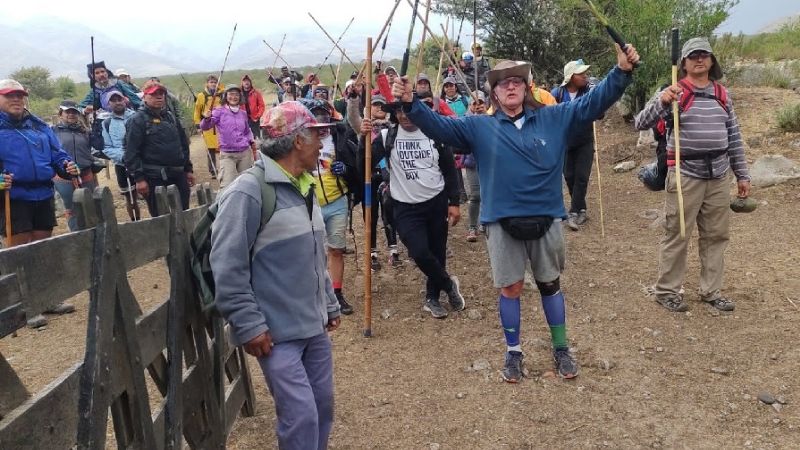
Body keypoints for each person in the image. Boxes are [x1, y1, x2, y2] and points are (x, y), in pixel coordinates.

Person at [391, 43, 640, 381]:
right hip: (501, 222)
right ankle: (513, 352)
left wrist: (621, 72)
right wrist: (409, 103)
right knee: (510, 289)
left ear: (526, 87)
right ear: (493, 91)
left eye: (517, 81)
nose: (510, 86)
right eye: (503, 82)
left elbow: (593, 102)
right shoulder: (479, 127)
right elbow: (439, 127)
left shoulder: (554, 118)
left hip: (548, 217)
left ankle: (561, 347)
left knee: (550, 284)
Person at [210, 101, 341, 450]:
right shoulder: (247, 192)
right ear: (298, 141)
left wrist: (329, 302)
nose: (322, 143)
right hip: (276, 333)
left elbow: (314, 252)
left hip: (312, 326)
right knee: (300, 415)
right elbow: (227, 264)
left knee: (322, 408)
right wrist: (249, 324)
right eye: (317, 135)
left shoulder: (304, 186)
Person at [634, 37, 750, 313]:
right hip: (685, 174)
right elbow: (641, 122)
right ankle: (666, 291)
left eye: (704, 55)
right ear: (683, 63)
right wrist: (662, 101)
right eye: (693, 55)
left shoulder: (722, 94)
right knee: (677, 234)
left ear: (712, 60)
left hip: (719, 176)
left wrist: (742, 174)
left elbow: (733, 136)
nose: (699, 59)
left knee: (716, 235)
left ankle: (711, 291)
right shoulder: (673, 91)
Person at [359, 100, 466, 319]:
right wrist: (363, 139)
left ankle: (432, 297)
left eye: (407, 110)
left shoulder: (435, 134)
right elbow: (364, 165)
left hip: (436, 202)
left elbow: (449, 170)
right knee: (418, 252)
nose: (403, 115)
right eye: (398, 111)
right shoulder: (388, 137)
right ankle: (448, 284)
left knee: (437, 251)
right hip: (404, 206)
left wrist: (453, 202)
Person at [0, 79, 80, 327]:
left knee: (42, 248)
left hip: (43, 193)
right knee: (18, 252)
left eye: (20, 95)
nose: (16, 100)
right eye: (9, 96)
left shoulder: (39, 126)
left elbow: (57, 154)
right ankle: (23, 307)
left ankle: (46, 299)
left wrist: (66, 166)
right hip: (13, 197)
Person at [299, 99, 357, 315]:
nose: (321, 125)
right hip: (309, 204)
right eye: (316, 119)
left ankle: (337, 294)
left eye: (324, 118)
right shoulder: (299, 143)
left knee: (336, 249)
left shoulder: (339, 140)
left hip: (337, 202)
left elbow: (355, 167)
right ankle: (315, 295)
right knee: (312, 251)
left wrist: (346, 170)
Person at [346, 92, 402, 270]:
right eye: (375, 105)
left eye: (381, 105)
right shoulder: (363, 127)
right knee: (370, 214)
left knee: (389, 213)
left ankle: (393, 249)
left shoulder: (392, 128)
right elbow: (352, 116)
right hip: (369, 178)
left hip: (388, 178)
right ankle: (372, 252)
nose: (378, 108)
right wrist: (354, 98)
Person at [125, 82, 194, 217]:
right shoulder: (137, 120)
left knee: (184, 212)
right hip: (154, 177)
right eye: (154, 94)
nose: (159, 97)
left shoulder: (170, 116)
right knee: (161, 217)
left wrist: (188, 169)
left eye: (161, 94)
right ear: (144, 97)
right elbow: (131, 152)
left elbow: (182, 144)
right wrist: (139, 179)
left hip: (177, 173)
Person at [552, 59, 597, 231]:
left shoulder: (589, 92)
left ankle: (573, 211)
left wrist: (596, 108)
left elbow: (599, 113)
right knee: (569, 176)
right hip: (565, 141)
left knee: (581, 177)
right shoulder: (557, 93)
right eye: (581, 74)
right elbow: (549, 113)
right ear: (571, 77)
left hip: (585, 140)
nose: (585, 76)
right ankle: (581, 208)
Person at [51, 100, 102, 231]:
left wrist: (97, 131)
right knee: (71, 207)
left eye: (74, 112)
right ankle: (76, 235)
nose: (71, 115)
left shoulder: (85, 131)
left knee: (89, 204)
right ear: (61, 113)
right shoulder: (52, 132)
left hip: (85, 173)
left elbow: (99, 146)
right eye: (68, 112)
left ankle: (92, 232)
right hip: (63, 176)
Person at [201, 85, 256, 189]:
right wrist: (206, 118)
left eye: (236, 94)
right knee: (227, 185)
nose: (234, 97)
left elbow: (247, 131)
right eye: (231, 94)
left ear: (240, 97)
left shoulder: (243, 113)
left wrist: (251, 140)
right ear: (225, 96)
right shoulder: (219, 111)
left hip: (244, 153)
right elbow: (205, 126)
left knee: (247, 184)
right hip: (227, 154)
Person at [100, 89, 140, 222]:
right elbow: (106, 147)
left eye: (120, 99)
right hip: (121, 164)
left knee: (147, 191)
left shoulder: (136, 116)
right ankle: (135, 222)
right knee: (130, 197)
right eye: (113, 100)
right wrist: (124, 157)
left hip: (139, 162)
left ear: (124, 100)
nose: (117, 102)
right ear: (108, 104)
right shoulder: (106, 123)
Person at [193, 75, 223, 179]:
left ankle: (224, 169)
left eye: (215, 82)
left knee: (222, 147)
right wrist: (198, 124)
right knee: (210, 149)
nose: (213, 84)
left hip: (220, 125)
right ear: (207, 83)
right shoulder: (202, 96)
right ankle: (213, 170)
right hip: (208, 125)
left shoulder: (222, 94)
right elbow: (197, 111)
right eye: (211, 82)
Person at [241, 74, 266, 139]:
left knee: (256, 138)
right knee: (244, 138)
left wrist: (258, 116)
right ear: (242, 82)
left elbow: (261, 106)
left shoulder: (256, 93)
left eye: (248, 81)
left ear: (250, 82)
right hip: (242, 119)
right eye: (244, 81)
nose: (246, 82)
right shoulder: (239, 93)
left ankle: (257, 149)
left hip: (254, 119)